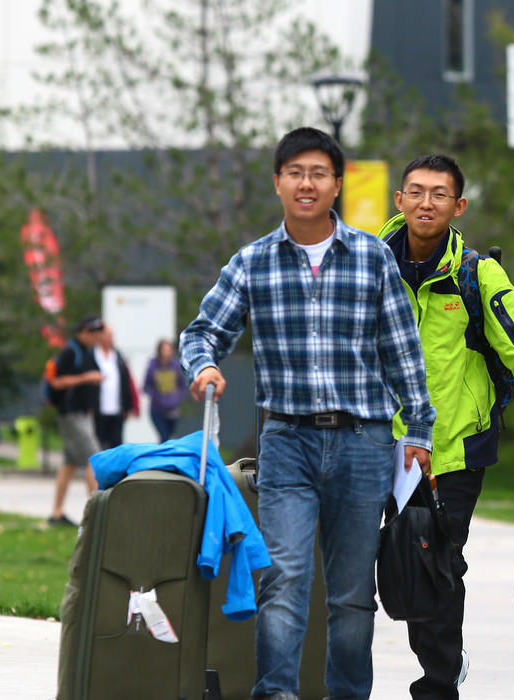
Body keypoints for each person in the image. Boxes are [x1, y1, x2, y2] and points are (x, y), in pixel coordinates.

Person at [179, 127, 435, 700]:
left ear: (337, 185)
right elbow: (202, 332)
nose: (307, 183)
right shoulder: (252, 262)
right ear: (277, 183)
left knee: (349, 594)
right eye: (295, 172)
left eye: (319, 173)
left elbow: (403, 352)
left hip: (363, 444)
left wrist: (418, 429)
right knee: (284, 579)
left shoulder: (371, 258)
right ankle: (276, 694)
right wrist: (203, 367)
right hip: (287, 442)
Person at [375, 154, 514, 700]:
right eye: (416, 192)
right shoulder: (367, 266)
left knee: (431, 564)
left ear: (458, 206)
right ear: (399, 201)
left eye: (439, 194)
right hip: (373, 445)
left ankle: (437, 682)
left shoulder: (476, 273)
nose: (425, 202)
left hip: (453, 451)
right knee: (381, 569)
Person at [47, 315, 106, 527]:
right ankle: (98, 513)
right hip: (71, 414)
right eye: (95, 333)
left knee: (69, 463)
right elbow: (57, 382)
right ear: (84, 332)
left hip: (81, 413)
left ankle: (56, 513)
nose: (98, 337)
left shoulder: (87, 352)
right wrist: (87, 378)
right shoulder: (71, 351)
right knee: (93, 459)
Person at [91, 324, 138, 449]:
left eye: (111, 336)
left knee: (116, 444)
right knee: (98, 444)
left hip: (117, 410)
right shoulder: (93, 355)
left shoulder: (118, 356)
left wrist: (127, 406)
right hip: (98, 410)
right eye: (107, 335)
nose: (110, 338)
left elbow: (125, 382)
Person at [142, 338, 188, 442]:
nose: (167, 353)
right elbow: (146, 386)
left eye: (169, 350)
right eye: (165, 350)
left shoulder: (176, 365)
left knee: (170, 438)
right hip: (157, 409)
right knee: (164, 436)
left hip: (173, 410)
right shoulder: (152, 365)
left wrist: (176, 400)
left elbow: (182, 386)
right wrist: (157, 397)